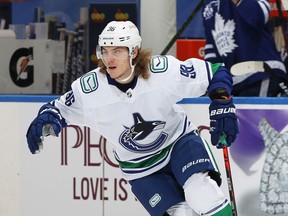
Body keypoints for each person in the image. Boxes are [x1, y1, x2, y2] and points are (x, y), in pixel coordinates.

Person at [26, 20, 239, 216]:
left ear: (134, 51)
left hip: (178, 143)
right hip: (140, 167)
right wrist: (45, 119)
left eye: (117, 51)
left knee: (201, 193)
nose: (109, 58)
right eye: (105, 50)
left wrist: (222, 101)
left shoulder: (162, 72)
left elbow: (214, 72)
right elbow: (57, 109)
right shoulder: (89, 90)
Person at [202, 0, 288, 96]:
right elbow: (212, 50)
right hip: (233, 84)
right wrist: (213, 82)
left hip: (261, 73)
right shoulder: (208, 6)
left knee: (259, 111)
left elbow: (257, 16)